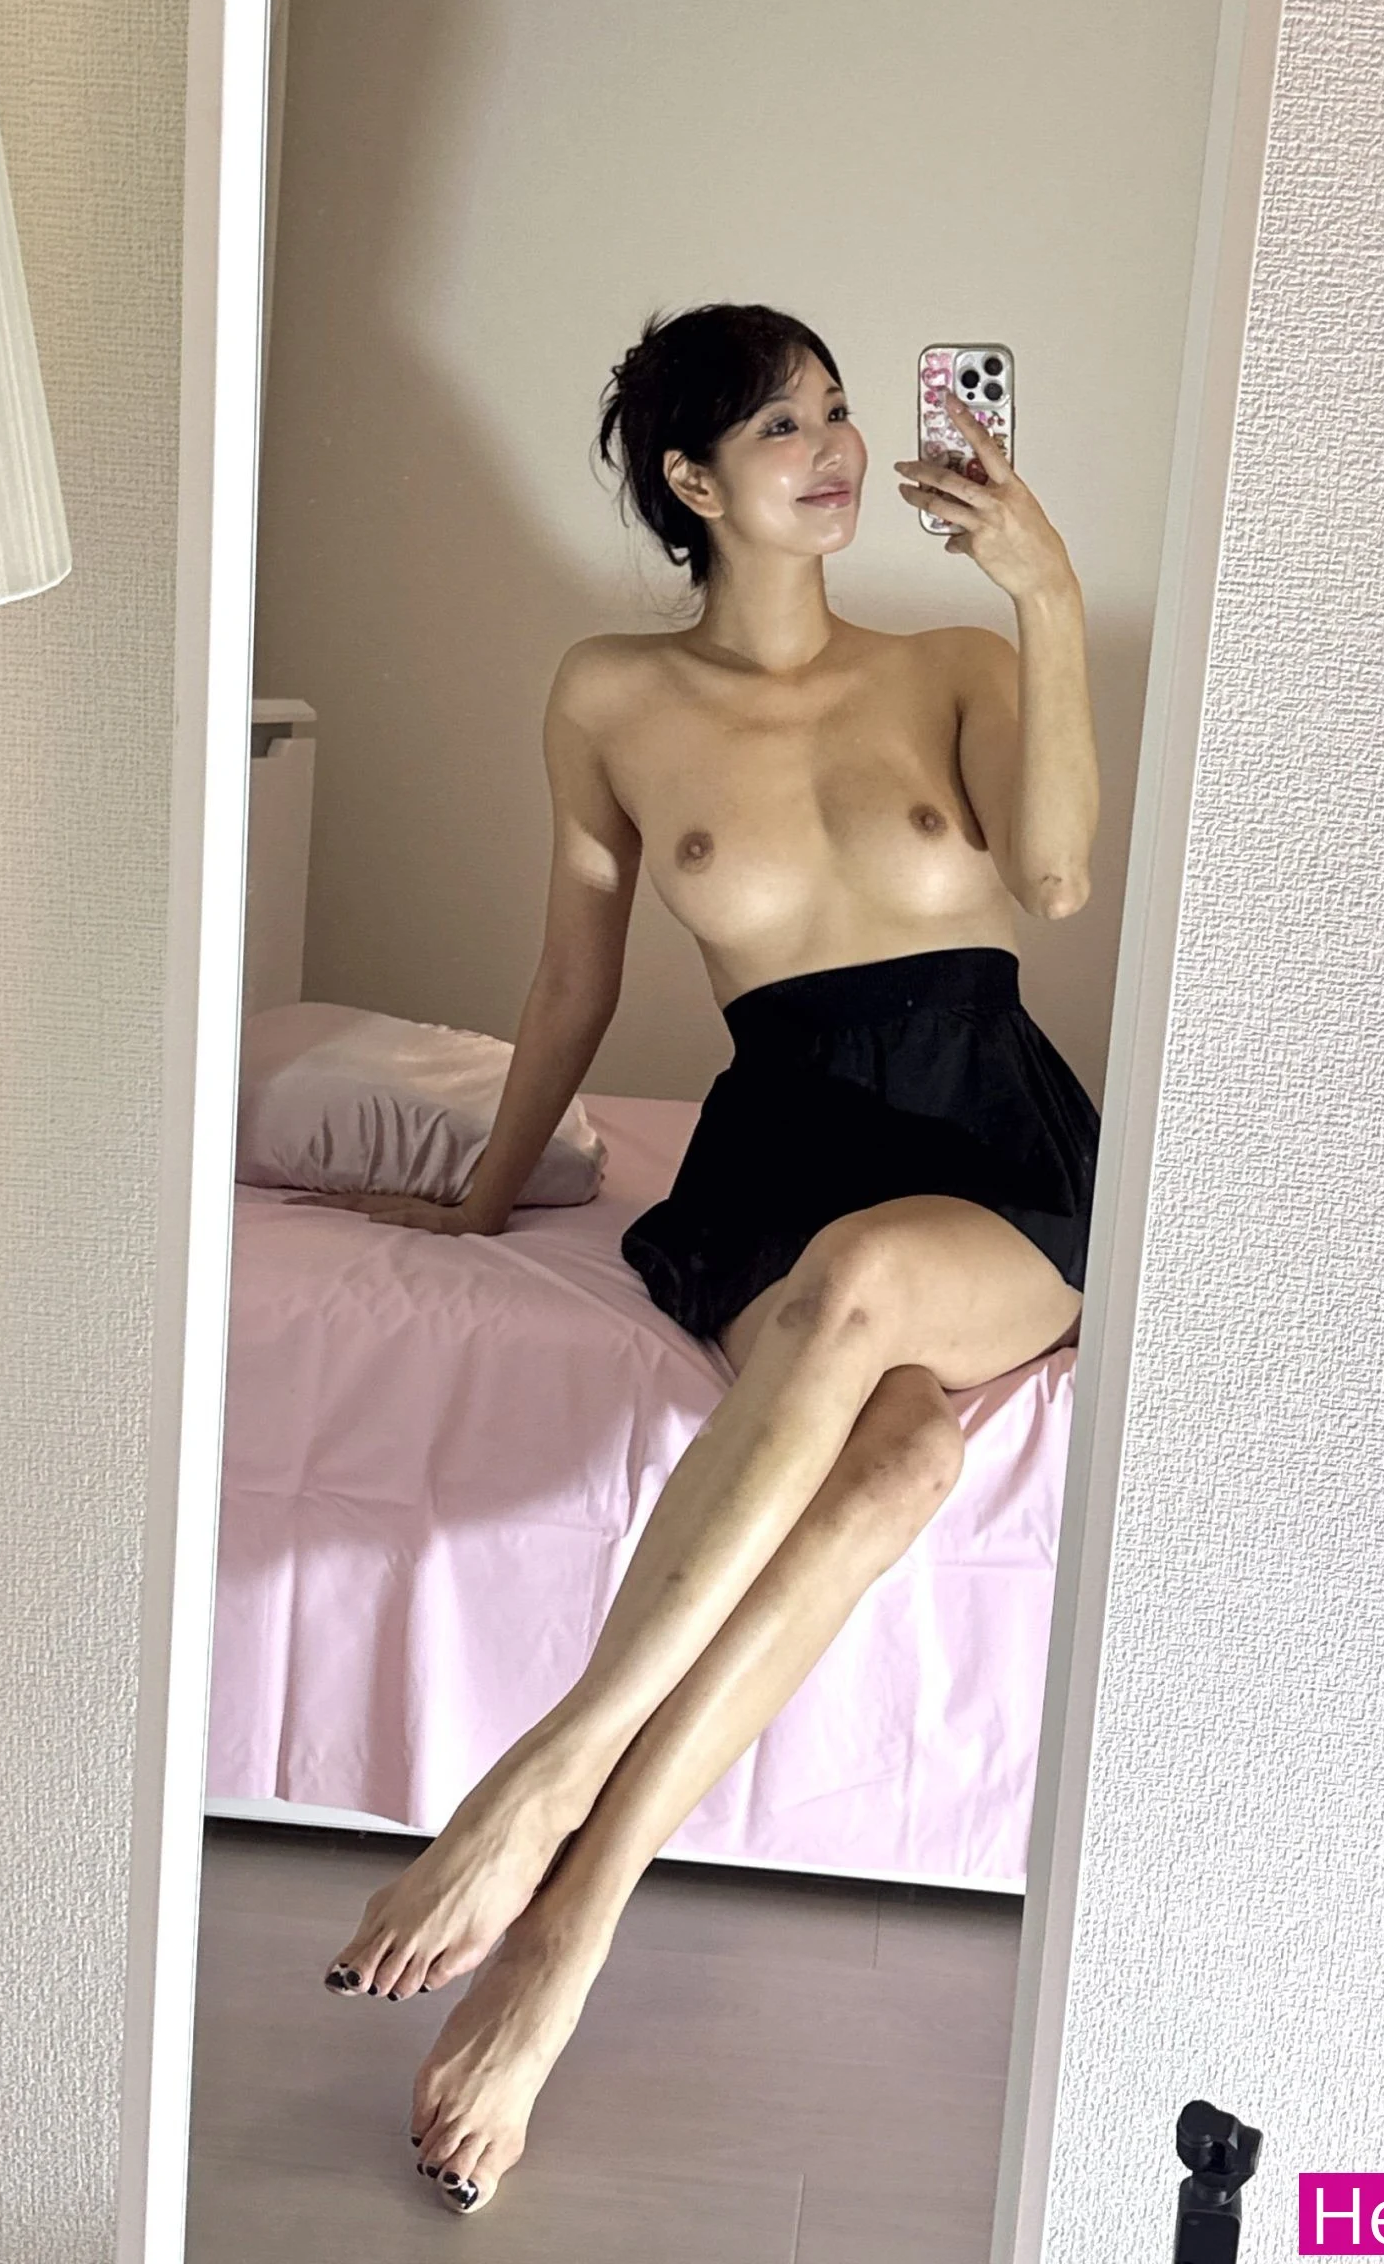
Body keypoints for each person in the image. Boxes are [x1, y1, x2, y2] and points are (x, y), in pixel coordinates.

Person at [293, 302, 1101, 2215]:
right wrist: (482, 1197)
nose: (833, 451)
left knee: (865, 1287)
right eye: (781, 427)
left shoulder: (958, 661)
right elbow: (570, 981)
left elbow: (1056, 879)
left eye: (837, 411)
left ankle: (547, 1795)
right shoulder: (606, 698)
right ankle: (574, 1928)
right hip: (778, 1146)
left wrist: (1050, 597)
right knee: (897, 1455)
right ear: (690, 479)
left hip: (984, 1152)